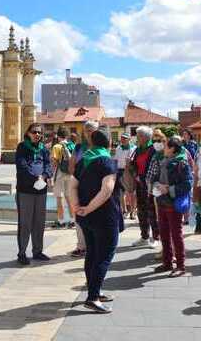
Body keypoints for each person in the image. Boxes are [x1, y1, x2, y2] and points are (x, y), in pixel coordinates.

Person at [69, 126, 124, 314]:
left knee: (92, 253)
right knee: (104, 256)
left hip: (86, 216)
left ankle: (95, 290)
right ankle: (92, 297)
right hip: (104, 216)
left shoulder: (84, 159)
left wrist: (78, 208)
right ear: (109, 143)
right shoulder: (108, 162)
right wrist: (89, 207)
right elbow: (107, 190)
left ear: (92, 142)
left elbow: (72, 186)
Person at [152, 136, 193, 276]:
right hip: (162, 202)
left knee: (176, 234)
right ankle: (167, 263)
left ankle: (181, 266)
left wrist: (169, 189)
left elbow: (187, 184)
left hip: (173, 204)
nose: (163, 148)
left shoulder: (182, 163)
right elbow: (155, 178)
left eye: (166, 146)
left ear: (172, 149)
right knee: (163, 233)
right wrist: (157, 185)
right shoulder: (163, 161)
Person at [15, 123, 53, 265]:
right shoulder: (22, 147)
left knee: (39, 223)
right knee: (25, 223)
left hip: (41, 190)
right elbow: (22, 166)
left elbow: (48, 166)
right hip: (25, 191)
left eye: (39, 133)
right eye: (34, 132)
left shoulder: (44, 149)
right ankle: (22, 253)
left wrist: (44, 176)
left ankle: (37, 251)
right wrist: (35, 178)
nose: (37, 134)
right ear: (28, 133)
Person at [68, 121, 99, 258]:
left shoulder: (100, 146)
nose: (89, 132)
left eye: (91, 130)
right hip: (80, 187)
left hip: (96, 189)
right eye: (86, 130)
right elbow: (71, 166)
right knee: (79, 216)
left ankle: (95, 246)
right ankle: (81, 246)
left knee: (95, 217)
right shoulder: (79, 147)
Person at [130, 126, 160, 248]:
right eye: (137, 136)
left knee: (152, 211)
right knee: (141, 210)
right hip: (140, 183)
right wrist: (135, 173)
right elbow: (134, 165)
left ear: (146, 137)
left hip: (152, 184)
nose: (137, 138)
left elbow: (157, 167)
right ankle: (144, 236)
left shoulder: (154, 149)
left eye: (139, 136)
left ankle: (156, 237)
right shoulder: (137, 149)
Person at [51, 127, 74, 229]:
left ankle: (61, 221)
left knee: (59, 198)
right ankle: (73, 220)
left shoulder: (56, 146)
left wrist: (51, 176)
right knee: (69, 197)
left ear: (58, 136)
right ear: (67, 135)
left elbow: (55, 163)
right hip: (70, 174)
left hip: (60, 174)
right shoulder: (72, 145)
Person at [113, 133, 136, 218]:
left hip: (129, 171)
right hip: (119, 170)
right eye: (122, 138)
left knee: (131, 192)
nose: (123, 140)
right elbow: (115, 159)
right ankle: (124, 210)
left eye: (125, 138)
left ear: (129, 139)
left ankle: (133, 211)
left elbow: (131, 161)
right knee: (121, 192)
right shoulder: (118, 148)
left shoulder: (133, 148)